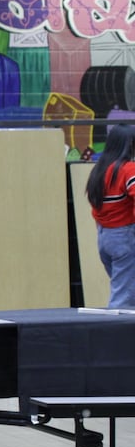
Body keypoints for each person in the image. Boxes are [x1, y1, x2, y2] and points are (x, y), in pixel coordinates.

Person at [86, 123, 135, 308]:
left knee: (127, 288)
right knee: (123, 299)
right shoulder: (128, 169)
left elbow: (95, 206)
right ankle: (115, 336)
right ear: (129, 145)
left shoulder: (99, 170)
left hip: (105, 237)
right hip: (125, 237)